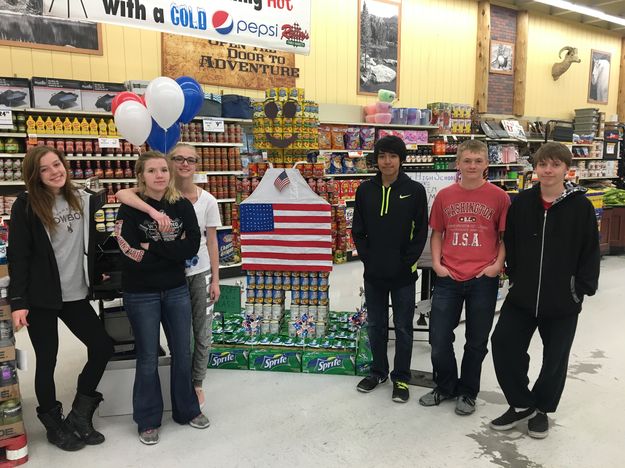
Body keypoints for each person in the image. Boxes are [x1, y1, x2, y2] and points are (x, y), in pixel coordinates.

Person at [490, 142, 600, 439]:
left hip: (562, 299)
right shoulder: (522, 203)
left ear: (567, 168)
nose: (548, 170)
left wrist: (582, 289)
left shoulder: (581, 206)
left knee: (555, 358)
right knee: (503, 344)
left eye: (555, 165)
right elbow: (510, 241)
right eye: (543, 165)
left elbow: (590, 249)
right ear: (535, 168)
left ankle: (542, 410)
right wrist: (513, 276)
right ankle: (522, 403)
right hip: (522, 295)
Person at [8, 146, 114, 451]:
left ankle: (80, 414)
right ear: (34, 175)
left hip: (75, 293)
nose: (55, 171)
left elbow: (95, 239)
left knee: (102, 346)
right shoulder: (26, 205)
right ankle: (54, 424)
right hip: (41, 297)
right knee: (48, 360)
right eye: (45, 168)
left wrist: (99, 270)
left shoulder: (80, 196)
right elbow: (19, 255)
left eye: (57, 164)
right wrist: (18, 302)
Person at [114, 151, 209, 445]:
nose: (159, 175)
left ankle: (187, 410)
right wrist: (170, 251)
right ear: (141, 175)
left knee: (183, 351)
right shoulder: (130, 208)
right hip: (140, 293)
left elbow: (192, 245)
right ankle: (148, 419)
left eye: (163, 170)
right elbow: (129, 254)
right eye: (152, 170)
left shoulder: (181, 205)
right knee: (147, 358)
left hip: (177, 288)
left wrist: (152, 247)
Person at [418, 140, 510, 415]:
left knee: (477, 341)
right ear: (457, 163)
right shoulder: (445, 196)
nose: (472, 166)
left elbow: (505, 237)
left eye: (478, 161)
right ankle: (445, 386)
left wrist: (497, 266)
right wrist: (436, 263)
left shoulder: (499, 197)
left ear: (486, 165)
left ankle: (468, 392)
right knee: (438, 337)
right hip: (448, 276)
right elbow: (436, 233)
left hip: (484, 277)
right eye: (467, 161)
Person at [352, 135, 429, 403]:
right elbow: (358, 231)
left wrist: (406, 261)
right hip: (373, 273)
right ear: (377, 159)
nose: (387, 161)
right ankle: (378, 371)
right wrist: (368, 259)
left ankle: (402, 378)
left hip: (403, 275)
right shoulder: (364, 190)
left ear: (401, 159)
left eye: (393, 156)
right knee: (376, 325)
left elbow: (420, 232)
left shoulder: (415, 190)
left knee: (404, 327)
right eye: (383, 156)